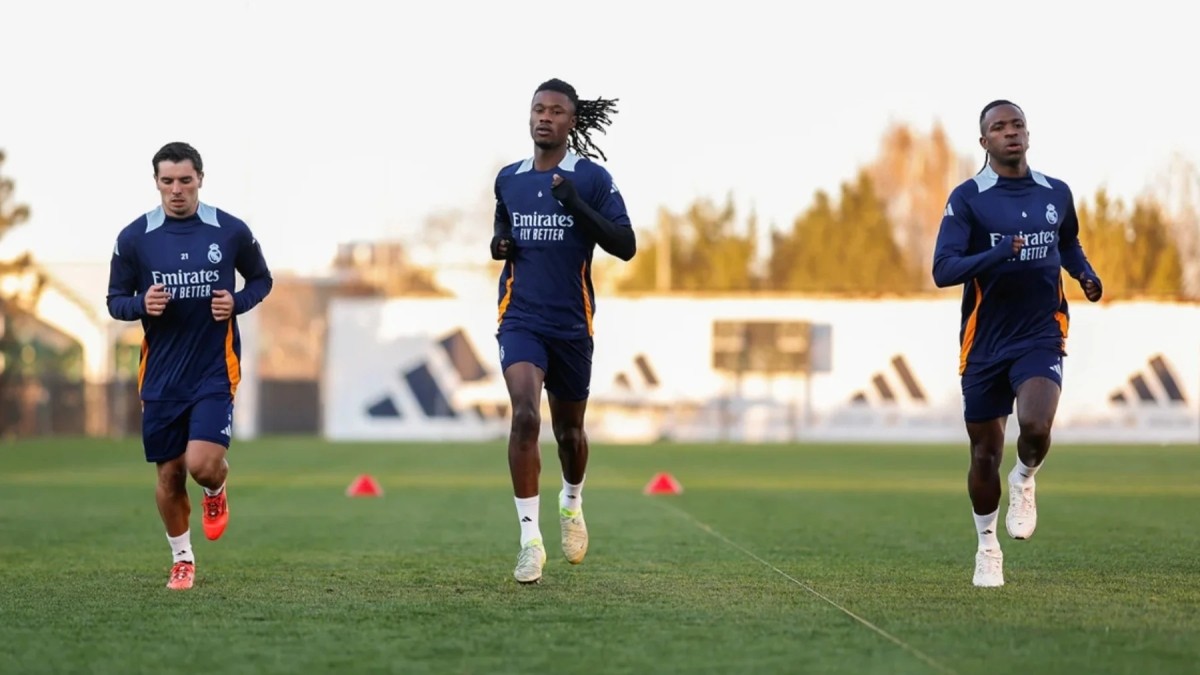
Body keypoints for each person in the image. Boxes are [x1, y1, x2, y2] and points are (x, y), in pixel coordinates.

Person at [932, 100, 1102, 587]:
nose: (1011, 132)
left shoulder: (1057, 192)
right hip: (984, 343)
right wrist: (993, 253)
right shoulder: (968, 199)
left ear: (1028, 133)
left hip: (1040, 333)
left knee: (1036, 423)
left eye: (1017, 124)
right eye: (998, 127)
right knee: (984, 453)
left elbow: (1068, 243)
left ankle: (1025, 478)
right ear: (983, 142)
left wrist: (1085, 275)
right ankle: (988, 547)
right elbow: (943, 270)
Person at [106, 142, 273, 590]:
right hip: (161, 375)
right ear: (156, 182)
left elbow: (262, 279)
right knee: (169, 473)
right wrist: (142, 303)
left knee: (201, 464)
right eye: (167, 181)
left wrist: (236, 302)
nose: (176, 190)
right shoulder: (134, 237)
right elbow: (115, 301)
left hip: (214, 369)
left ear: (200, 178)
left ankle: (216, 491)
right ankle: (182, 559)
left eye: (185, 180)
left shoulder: (230, 231)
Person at [490, 78, 636, 584]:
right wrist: (500, 242)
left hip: (572, 323)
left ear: (573, 122)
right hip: (521, 318)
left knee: (569, 433)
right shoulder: (508, 178)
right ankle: (530, 540)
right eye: (537, 109)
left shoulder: (591, 179)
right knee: (525, 415)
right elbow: (501, 226)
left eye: (555, 111)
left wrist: (575, 203)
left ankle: (571, 501)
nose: (544, 117)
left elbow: (625, 244)